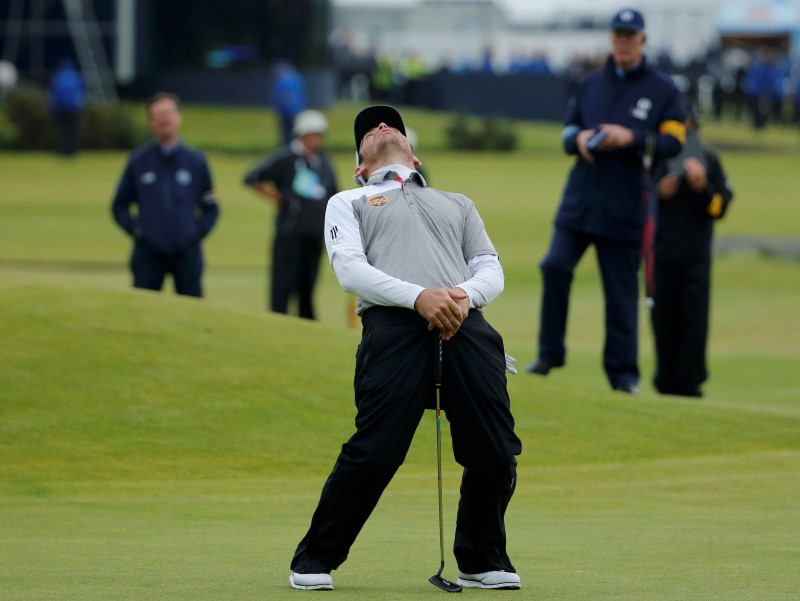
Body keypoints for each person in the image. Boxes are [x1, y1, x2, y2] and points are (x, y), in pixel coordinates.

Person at [288, 105, 522, 591]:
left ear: (413, 155)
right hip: (393, 328)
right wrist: (420, 298)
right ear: (359, 164)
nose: (380, 126)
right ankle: (314, 559)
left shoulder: (456, 202)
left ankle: (480, 558)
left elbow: (489, 267)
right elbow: (351, 272)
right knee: (375, 452)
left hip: (464, 322)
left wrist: (458, 298)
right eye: (368, 130)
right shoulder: (348, 201)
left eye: (389, 123)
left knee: (496, 449)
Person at [525, 8, 686, 394]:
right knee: (555, 266)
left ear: (643, 40)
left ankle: (623, 375)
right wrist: (578, 140)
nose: (623, 41)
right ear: (611, 38)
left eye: (631, 35)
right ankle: (549, 354)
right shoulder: (590, 82)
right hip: (580, 199)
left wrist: (631, 137)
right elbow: (568, 130)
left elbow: (674, 141)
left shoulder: (663, 89)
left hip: (626, 205)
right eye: (618, 35)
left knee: (620, 294)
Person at [650, 104, 733, 397]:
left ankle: (691, 382)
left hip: (695, 258)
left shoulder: (709, 160)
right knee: (663, 320)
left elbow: (720, 205)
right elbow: (639, 203)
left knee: (694, 322)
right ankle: (665, 380)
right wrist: (659, 193)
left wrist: (703, 189)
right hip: (661, 256)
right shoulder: (658, 160)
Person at [111, 92, 220, 298]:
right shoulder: (138, 161)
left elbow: (211, 207)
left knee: (192, 311)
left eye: (169, 113)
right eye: (158, 115)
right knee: (143, 310)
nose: (165, 119)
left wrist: (195, 234)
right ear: (151, 123)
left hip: (186, 252)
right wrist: (138, 232)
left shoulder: (196, 161)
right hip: (148, 253)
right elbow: (119, 206)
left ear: (179, 117)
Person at [243, 109, 338, 319]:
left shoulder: (324, 162)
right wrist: (275, 197)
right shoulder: (285, 158)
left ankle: (308, 327)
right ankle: (277, 325)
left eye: (319, 134)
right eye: (312, 134)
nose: (316, 139)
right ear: (301, 134)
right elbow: (252, 177)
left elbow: (333, 194)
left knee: (308, 287)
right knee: (283, 286)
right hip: (290, 233)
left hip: (315, 234)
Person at [48, 59, 86, 156]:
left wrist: (51, 107)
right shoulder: (76, 77)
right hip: (73, 108)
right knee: (73, 130)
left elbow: (53, 94)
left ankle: (63, 150)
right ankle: (72, 150)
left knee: (63, 130)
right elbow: (81, 93)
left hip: (61, 108)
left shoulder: (58, 77)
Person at [270, 61, 307, 146]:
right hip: (296, 110)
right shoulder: (297, 78)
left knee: (288, 133)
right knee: (294, 131)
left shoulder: (283, 80)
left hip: (287, 111)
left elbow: (285, 97)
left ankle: (288, 147)